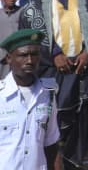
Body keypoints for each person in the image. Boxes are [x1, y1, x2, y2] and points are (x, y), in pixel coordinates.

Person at [17, 0, 88, 170]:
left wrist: (87, 53)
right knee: (51, 118)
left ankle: (73, 162)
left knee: (79, 117)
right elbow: (29, 34)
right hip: (52, 71)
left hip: (80, 68)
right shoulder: (36, 3)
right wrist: (54, 54)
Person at [0, 28, 59, 170]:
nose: (30, 60)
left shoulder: (48, 94)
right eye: (23, 55)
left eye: (34, 54)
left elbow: (51, 143)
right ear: (9, 58)